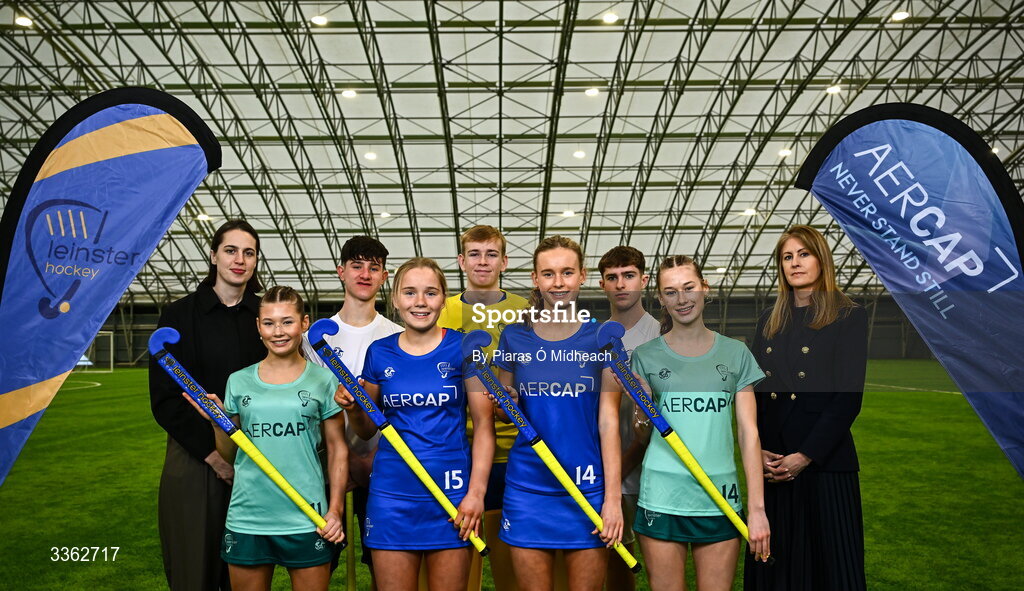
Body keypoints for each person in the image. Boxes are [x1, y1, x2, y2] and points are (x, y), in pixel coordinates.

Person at [337, 257, 495, 591]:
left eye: (430, 293)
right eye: (409, 293)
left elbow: (483, 426)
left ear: (443, 298)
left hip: (452, 496)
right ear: (394, 298)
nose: (420, 302)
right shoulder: (379, 352)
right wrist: (353, 408)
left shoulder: (465, 347)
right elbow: (368, 429)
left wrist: (476, 493)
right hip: (391, 495)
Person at [185, 285, 347, 591]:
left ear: (304, 323)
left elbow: (338, 449)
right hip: (249, 517)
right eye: (269, 323)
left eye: (287, 321)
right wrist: (219, 424)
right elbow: (232, 455)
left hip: (307, 517)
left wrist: (335, 509)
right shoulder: (239, 381)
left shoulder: (323, 380)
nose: (278, 331)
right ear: (258, 327)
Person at [628, 255, 770, 591]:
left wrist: (757, 508)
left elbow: (749, 435)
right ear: (661, 299)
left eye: (689, 288)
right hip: (661, 495)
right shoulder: (645, 357)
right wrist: (641, 410)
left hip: (720, 496)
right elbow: (643, 435)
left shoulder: (736, 353)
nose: (682, 299)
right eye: (671, 292)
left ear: (704, 287)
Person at [491, 235, 623, 591]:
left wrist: (613, 500)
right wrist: (505, 402)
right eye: (548, 274)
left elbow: (609, 422)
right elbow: (507, 414)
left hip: (587, 487)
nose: (559, 282)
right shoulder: (514, 337)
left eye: (567, 272)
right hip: (528, 487)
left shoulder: (603, 339)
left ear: (581, 276)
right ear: (535, 279)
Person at [744, 225, 868, 591]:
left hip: (825, 463)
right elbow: (754, 390)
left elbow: (847, 398)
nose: (795, 263)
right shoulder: (770, 318)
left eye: (804, 254)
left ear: (821, 259)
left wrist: (805, 455)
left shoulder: (848, 316)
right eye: (787, 257)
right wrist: (759, 451)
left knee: (832, 567)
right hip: (774, 465)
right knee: (776, 566)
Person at [149, 219, 267, 591]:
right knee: (193, 571)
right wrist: (214, 456)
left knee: (246, 573)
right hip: (196, 457)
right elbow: (166, 400)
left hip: (256, 455)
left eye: (248, 253)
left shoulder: (266, 318)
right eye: (230, 250)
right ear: (213, 255)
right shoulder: (179, 316)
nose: (239, 260)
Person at [301, 235, 402, 590]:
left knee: (384, 565)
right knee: (316, 564)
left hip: (383, 468)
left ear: (384, 276)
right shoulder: (312, 338)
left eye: (373, 268)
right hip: (324, 469)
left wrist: (370, 456)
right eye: (357, 266)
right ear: (340, 272)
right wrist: (334, 457)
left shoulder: (397, 335)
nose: (364, 274)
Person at [437, 224, 529, 591]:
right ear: (461, 261)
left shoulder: (524, 311)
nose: (482, 261)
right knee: (462, 553)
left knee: (513, 553)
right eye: (474, 254)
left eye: (491, 254)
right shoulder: (441, 310)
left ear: (504, 261)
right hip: (459, 450)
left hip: (515, 450)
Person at [596, 246, 660, 591]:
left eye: (629, 275)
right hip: (606, 467)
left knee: (658, 561)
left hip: (650, 468)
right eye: (612, 277)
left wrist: (626, 463)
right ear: (602, 284)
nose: (621, 284)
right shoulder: (591, 338)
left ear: (644, 280)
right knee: (616, 554)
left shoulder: (661, 335)